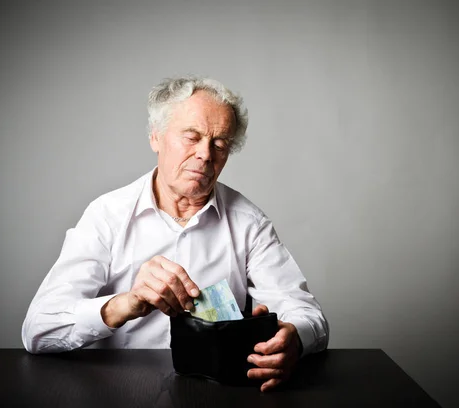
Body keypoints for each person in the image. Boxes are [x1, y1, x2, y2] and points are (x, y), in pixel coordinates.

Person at [22, 75, 329, 392]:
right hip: (119, 392)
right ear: (155, 137)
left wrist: (293, 338)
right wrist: (124, 304)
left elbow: (309, 316)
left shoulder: (249, 222)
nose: (206, 155)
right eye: (192, 137)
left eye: (220, 143)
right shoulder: (106, 215)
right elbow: (38, 330)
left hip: (219, 393)